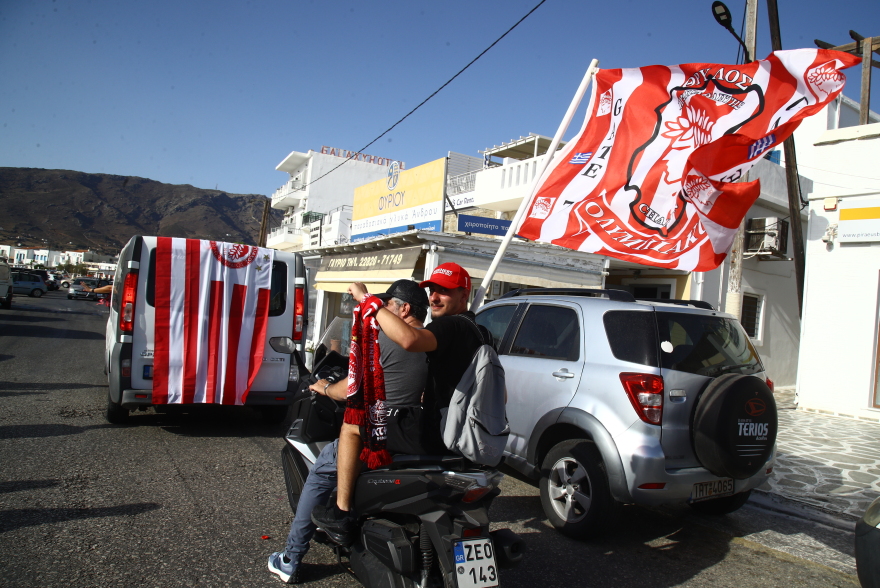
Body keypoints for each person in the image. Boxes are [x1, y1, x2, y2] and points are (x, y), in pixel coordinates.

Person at [310, 262, 490, 542]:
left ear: (464, 296)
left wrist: (367, 301)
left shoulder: (449, 326)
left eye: (444, 291)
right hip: (466, 432)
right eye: (432, 290)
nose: (434, 297)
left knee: (353, 424)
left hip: (436, 432)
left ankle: (341, 513)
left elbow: (408, 339)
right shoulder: (482, 333)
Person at [268, 279, 429, 584]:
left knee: (321, 472)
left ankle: (290, 557)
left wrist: (325, 387)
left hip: (378, 430)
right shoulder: (430, 341)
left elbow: (351, 389)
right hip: (410, 432)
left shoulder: (384, 339)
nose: (383, 311)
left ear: (404, 309)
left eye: (388, 305)